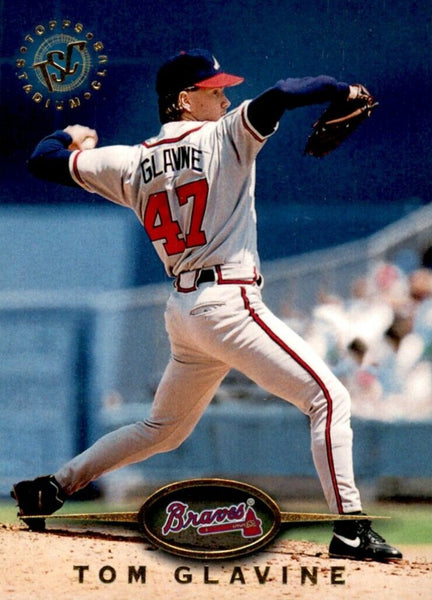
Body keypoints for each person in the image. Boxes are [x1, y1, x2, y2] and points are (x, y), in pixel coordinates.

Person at [12, 49, 402, 561]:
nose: (224, 97)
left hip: (185, 311)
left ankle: (54, 486)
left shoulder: (128, 161)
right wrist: (343, 88)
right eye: (214, 90)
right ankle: (351, 529)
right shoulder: (225, 135)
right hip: (229, 301)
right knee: (329, 400)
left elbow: (42, 159)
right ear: (184, 100)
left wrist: (70, 134)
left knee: (163, 429)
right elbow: (284, 92)